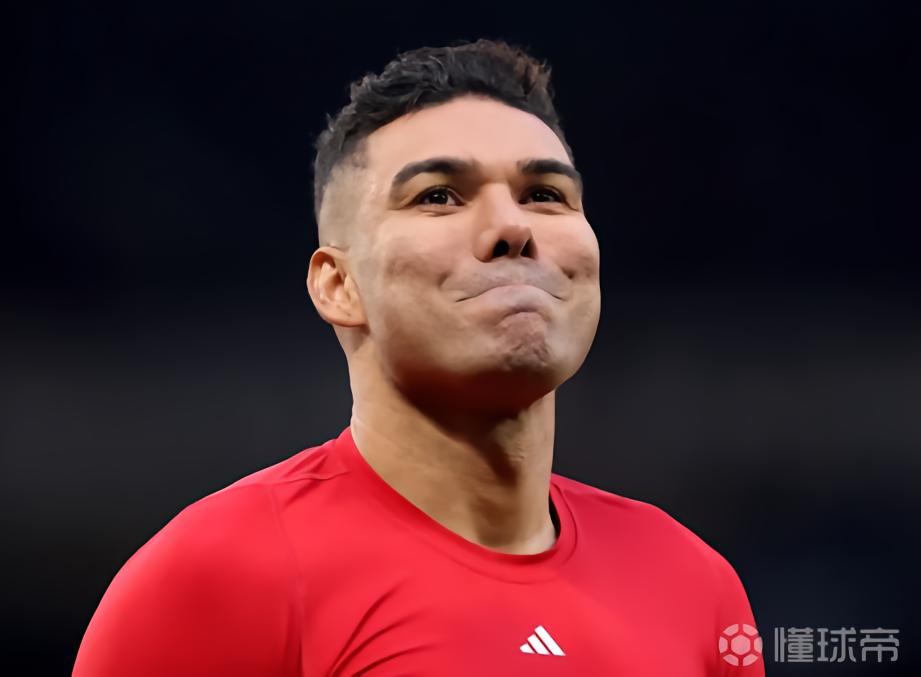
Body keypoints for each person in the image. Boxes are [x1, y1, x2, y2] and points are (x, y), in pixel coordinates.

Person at [73, 38, 763, 676]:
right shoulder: (219, 575)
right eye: (438, 196)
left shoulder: (694, 585)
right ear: (338, 285)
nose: (511, 227)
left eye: (545, 195)